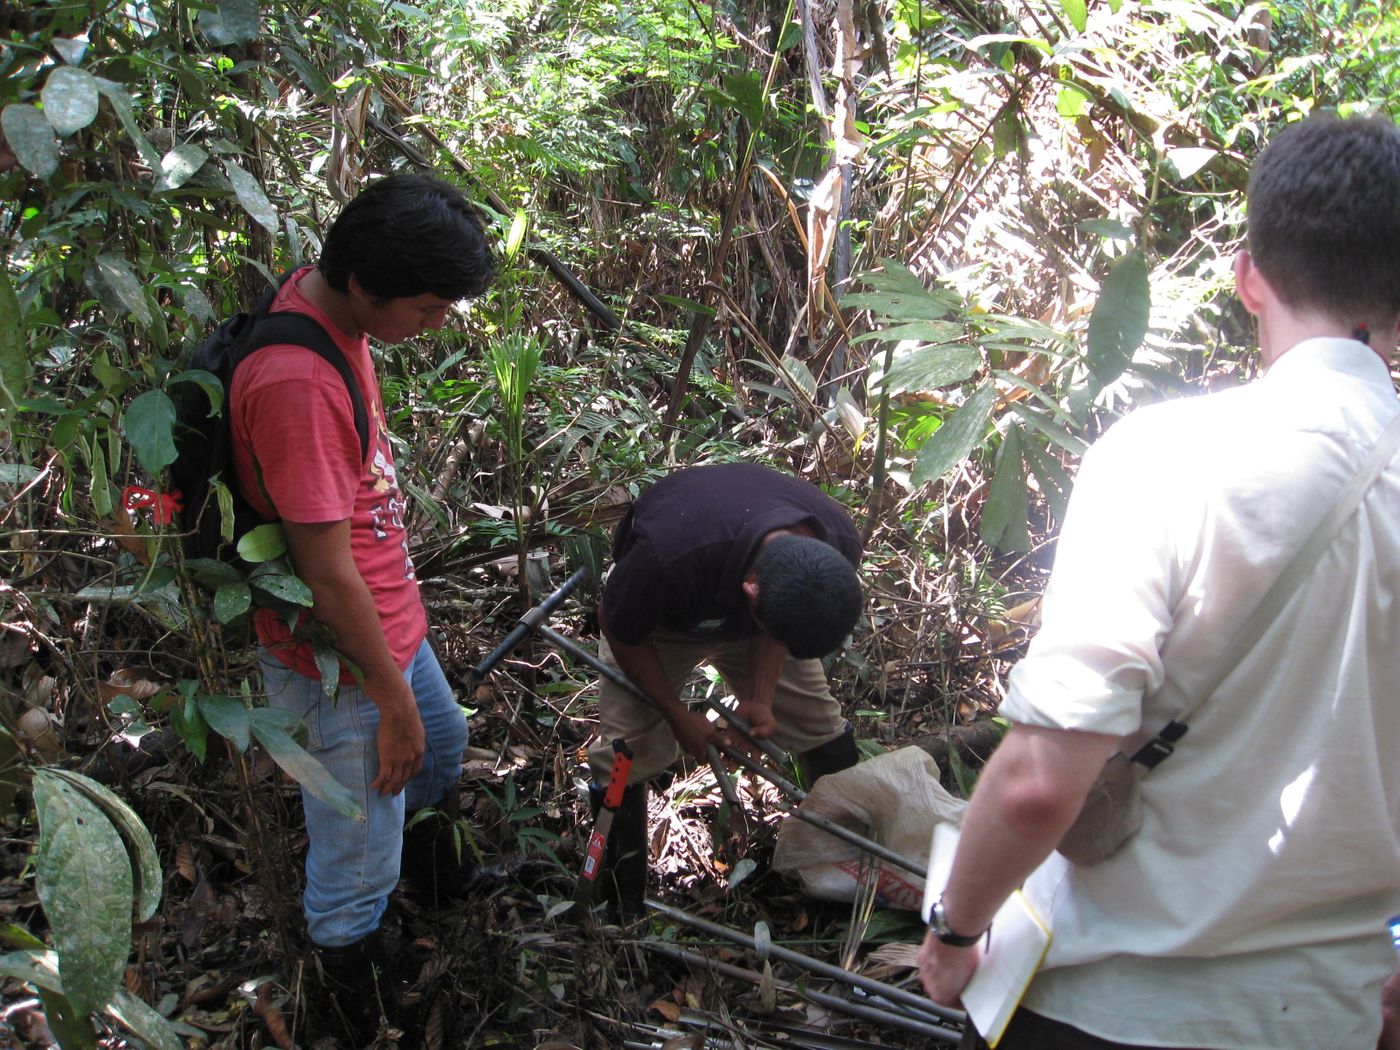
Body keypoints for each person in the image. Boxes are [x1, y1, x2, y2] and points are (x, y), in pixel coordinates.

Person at [916, 112, 1400, 1049]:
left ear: (1249, 275)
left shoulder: (1165, 457)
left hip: (1106, 1007)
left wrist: (954, 931)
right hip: (1322, 1014)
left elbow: (1037, 782)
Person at [229, 174, 494, 1038]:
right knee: (356, 861)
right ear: (363, 286)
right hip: (337, 657)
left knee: (441, 750)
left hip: (388, 627)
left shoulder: (334, 307)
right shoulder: (296, 383)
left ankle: (432, 904)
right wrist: (389, 703)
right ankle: (352, 1002)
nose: (436, 324)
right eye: (426, 308)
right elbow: (326, 572)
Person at [587, 461, 865, 917]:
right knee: (624, 754)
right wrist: (678, 717)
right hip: (662, 621)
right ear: (751, 592)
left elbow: (777, 632)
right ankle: (622, 905)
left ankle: (845, 870)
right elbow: (619, 629)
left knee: (820, 726)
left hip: (765, 614)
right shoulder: (667, 555)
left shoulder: (835, 541)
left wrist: (761, 696)